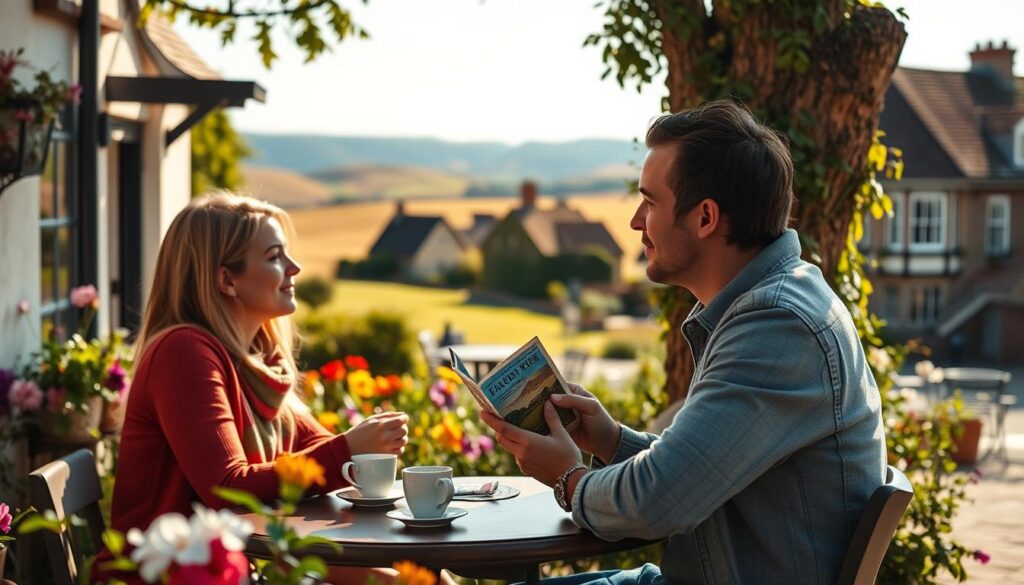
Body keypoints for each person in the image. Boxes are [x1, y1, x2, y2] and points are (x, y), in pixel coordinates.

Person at [481, 100, 886, 585]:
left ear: (706, 217)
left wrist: (569, 479)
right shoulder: (771, 304)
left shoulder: (777, 326)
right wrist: (609, 439)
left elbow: (658, 504)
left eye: (650, 202)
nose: (635, 221)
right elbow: (698, 469)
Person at [98, 193, 411, 584]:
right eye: (275, 256)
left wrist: (365, 449)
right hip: (167, 575)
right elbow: (227, 488)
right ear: (227, 279)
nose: (294, 268)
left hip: (237, 567)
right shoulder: (184, 352)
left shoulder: (260, 363)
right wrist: (351, 449)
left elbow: (317, 456)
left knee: (418, 576)